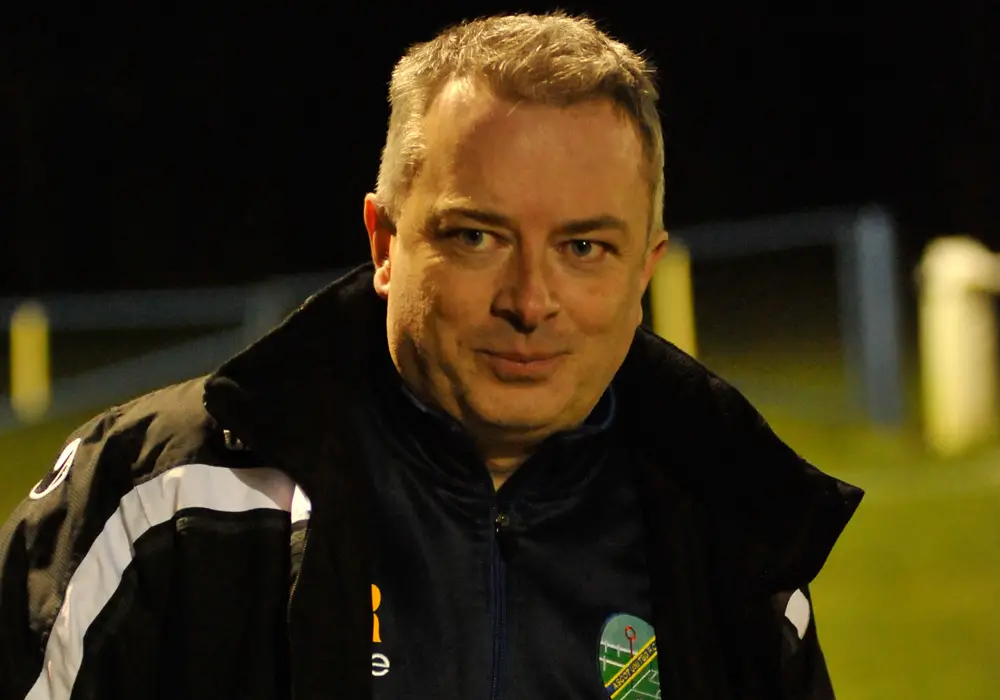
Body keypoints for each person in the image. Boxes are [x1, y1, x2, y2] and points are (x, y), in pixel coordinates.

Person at [0, 11, 862, 700]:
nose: (530, 302)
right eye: (478, 236)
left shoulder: (731, 539)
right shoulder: (164, 500)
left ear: (646, 268)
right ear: (384, 241)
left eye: (584, 248)